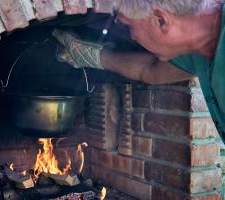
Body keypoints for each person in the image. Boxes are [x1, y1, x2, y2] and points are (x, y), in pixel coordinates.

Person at [52, 0, 225, 141]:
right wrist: (93, 56)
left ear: (160, 20)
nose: (132, 36)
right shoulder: (199, 49)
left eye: (128, 26)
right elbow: (150, 70)